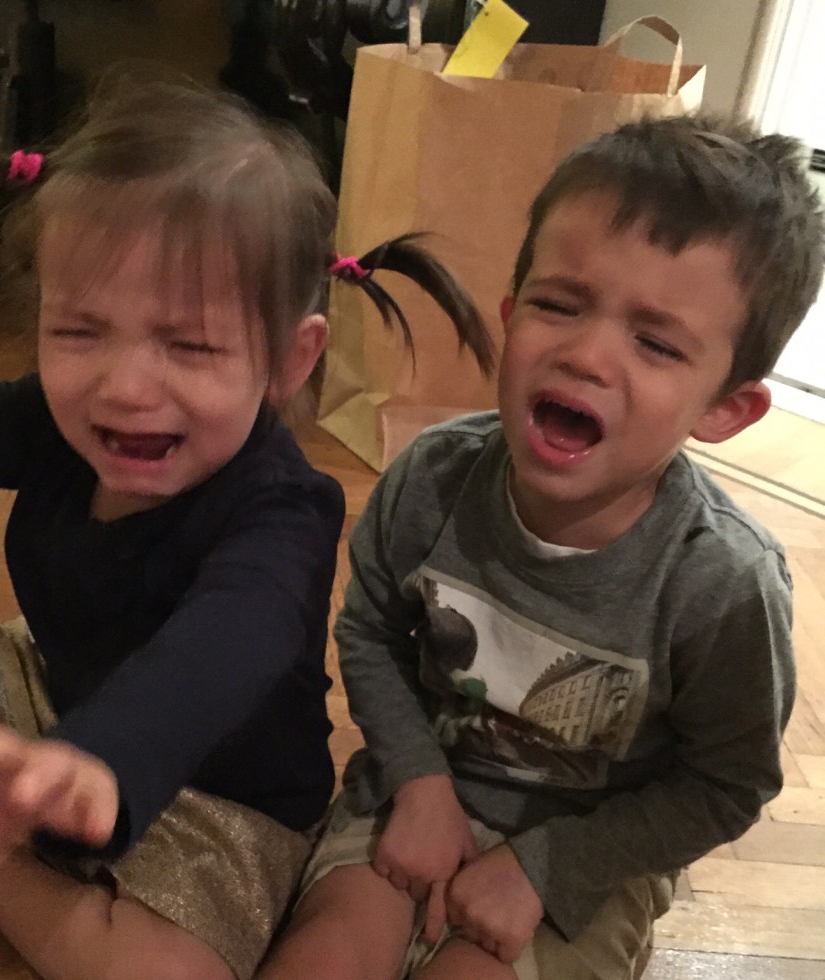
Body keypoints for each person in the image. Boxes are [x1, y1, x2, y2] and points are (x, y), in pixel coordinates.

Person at [0, 77, 494, 980]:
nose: (124, 387)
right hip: (59, 701)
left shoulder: (285, 507)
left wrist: (101, 761)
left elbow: (222, 646)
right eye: (79, 332)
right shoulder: (52, 419)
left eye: (188, 346)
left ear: (288, 359)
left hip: (218, 796)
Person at [257, 114, 825, 980]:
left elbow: (726, 785)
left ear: (725, 408)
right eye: (559, 305)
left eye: (656, 342)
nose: (586, 354)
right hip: (414, 794)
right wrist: (419, 782)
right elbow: (369, 629)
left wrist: (546, 867)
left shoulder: (723, 583)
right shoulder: (431, 479)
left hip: (587, 861)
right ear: (511, 315)